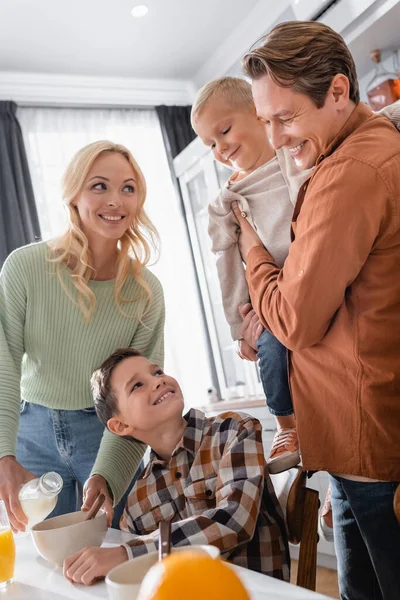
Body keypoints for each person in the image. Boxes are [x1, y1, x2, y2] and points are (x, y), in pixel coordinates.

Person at [232, 20, 400, 600]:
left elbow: (296, 320)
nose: (275, 138)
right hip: (352, 444)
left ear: (337, 91)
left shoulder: (350, 173)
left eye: (286, 117)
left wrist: (252, 247)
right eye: (265, 121)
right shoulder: (350, 156)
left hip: (372, 449)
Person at [0, 141, 165, 532]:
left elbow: (140, 395)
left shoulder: (146, 292)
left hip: (109, 433)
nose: (116, 200)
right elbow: (4, 360)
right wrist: (4, 454)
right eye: (99, 186)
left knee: (111, 555)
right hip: (31, 433)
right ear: (73, 195)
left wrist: (107, 473)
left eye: (128, 187)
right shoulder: (24, 268)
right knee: (44, 562)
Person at [63, 348, 290, 586]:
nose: (158, 381)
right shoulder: (136, 505)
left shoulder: (234, 430)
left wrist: (126, 553)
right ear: (120, 426)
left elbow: (234, 520)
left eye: (157, 372)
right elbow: (142, 579)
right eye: (137, 385)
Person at [191, 76, 312, 475]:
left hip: (314, 275)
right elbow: (225, 263)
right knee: (271, 348)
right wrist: (239, 323)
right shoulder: (228, 201)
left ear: (260, 115)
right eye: (210, 144)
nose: (220, 148)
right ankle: (287, 424)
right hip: (273, 292)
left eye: (224, 131)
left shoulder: (293, 155)